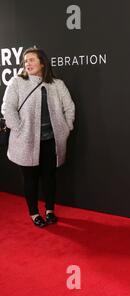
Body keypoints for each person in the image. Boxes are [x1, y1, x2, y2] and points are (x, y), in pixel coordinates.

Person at [1, 47, 75, 228]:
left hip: (51, 140)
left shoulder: (57, 84)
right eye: (25, 61)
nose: (27, 64)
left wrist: (66, 128)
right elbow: (7, 108)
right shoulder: (17, 82)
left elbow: (69, 107)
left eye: (32, 60)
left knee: (50, 177)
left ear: (42, 63)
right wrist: (19, 128)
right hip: (26, 142)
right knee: (30, 179)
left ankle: (50, 210)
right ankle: (34, 213)